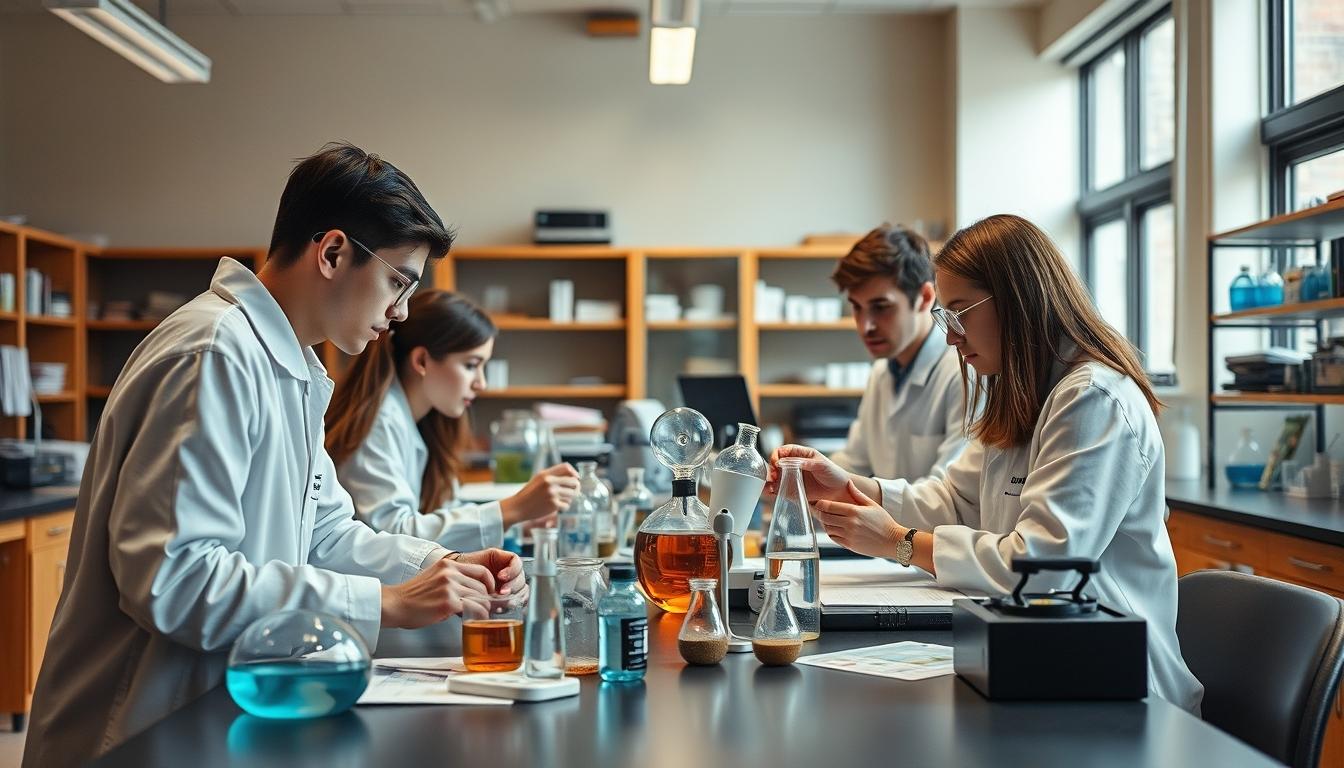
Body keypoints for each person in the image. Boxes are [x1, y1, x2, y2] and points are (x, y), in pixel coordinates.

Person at [23, 143, 524, 768]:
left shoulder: (290, 367)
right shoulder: (215, 353)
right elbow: (176, 580)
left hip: (217, 715)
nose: (400, 313)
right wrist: (385, 603)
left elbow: (326, 533)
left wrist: (442, 566)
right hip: (136, 731)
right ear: (333, 252)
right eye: (398, 282)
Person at [769, 214, 1202, 712]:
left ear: (1016, 300)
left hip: (1121, 686)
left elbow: (1044, 568)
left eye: (960, 314)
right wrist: (848, 485)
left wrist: (900, 543)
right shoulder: (1022, 389)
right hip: (1039, 656)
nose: (951, 337)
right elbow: (955, 500)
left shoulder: (1093, 398)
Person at [326, 289, 579, 550]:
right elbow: (394, 533)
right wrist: (512, 509)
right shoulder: (378, 423)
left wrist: (518, 523)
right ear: (422, 361)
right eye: (471, 365)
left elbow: (443, 512)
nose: (481, 383)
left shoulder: (425, 422)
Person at [828, 224, 968, 483]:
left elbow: (950, 492)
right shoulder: (882, 371)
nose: (865, 326)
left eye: (881, 307)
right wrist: (799, 472)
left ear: (925, 297)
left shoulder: (963, 371)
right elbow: (853, 462)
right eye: (857, 308)